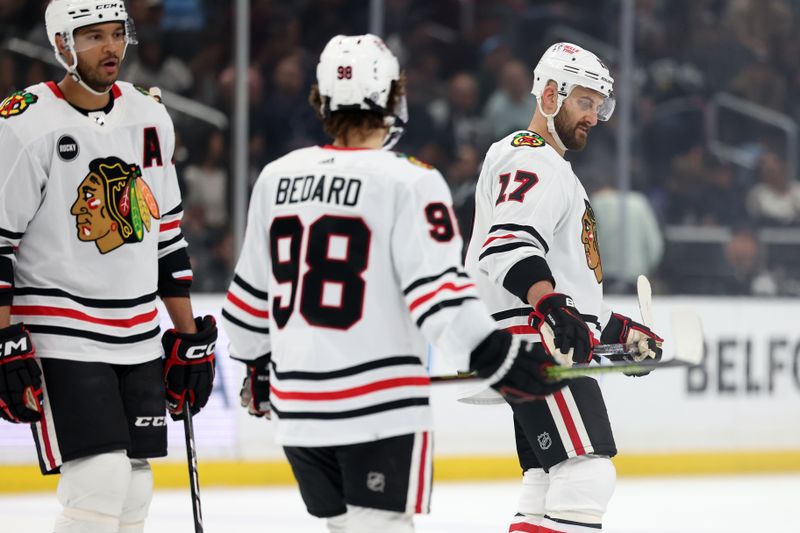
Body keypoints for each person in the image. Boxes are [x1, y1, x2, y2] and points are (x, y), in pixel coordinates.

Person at [222, 34, 566, 533]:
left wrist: (255, 366)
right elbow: (439, 299)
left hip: (298, 409)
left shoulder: (277, 177)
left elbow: (248, 299)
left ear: (321, 98)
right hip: (376, 409)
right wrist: (501, 358)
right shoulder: (411, 180)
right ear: (391, 97)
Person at [0, 2, 216, 532]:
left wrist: (186, 337)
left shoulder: (150, 115)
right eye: (93, 36)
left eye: (117, 34)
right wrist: (3, 343)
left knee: (134, 486)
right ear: (60, 46)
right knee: (98, 480)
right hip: (61, 331)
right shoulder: (24, 123)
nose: (111, 47)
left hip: (137, 332)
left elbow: (167, 237)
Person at [464, 42, 664, 533]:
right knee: (586, 475)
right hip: (535, 343)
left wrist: (619, 333)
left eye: (600, 105)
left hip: (534, 336)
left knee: (545, 481)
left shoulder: (552, 169)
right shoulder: (530, 157)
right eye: (585, 102)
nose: (595, 116)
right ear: (550, 95)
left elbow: (569, 293)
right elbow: (508, 247)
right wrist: (552, 307)